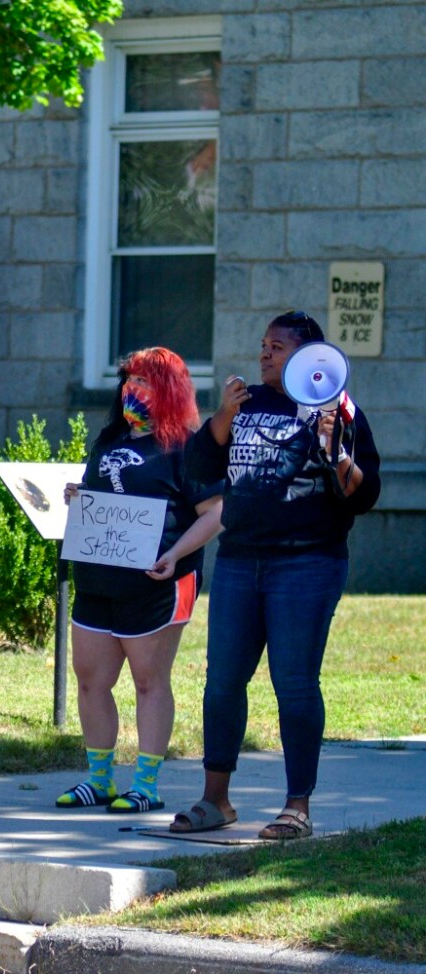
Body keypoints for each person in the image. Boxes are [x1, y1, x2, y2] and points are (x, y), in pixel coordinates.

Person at [171, 311, 380, 840]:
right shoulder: (246, 404)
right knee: (222, 681)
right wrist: (223, 415)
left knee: (294, 683)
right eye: (264, 345)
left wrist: (335, 449)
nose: (265, 353)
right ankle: (215, 800)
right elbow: (199, 468)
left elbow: (363, 494)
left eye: (278, 347)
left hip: (307, 564)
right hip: (240, 561)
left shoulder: (338, 409)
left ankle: (297, 806)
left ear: (309, 357)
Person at [56, 347, 223, 814]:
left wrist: (175, 554)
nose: (132, 389)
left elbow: (216, 512)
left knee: (149, 681)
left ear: (168, 389)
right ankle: (100, 780)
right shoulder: (110, 438)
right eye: (129, 380)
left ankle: (146, 784)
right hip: (97, 580)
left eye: (144, 381)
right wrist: (81, 496)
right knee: (91, 681)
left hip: (157, 583)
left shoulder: (188, 448)